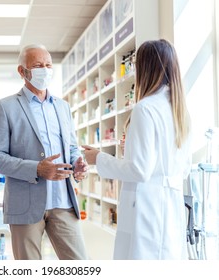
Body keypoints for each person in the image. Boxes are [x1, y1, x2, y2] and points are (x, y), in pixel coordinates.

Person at [82, 39, 191, 260]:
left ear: (145, 68)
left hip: (147, 209)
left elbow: (140, 170)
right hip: (170, 207)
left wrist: (98, 158)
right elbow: (183, 167)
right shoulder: (179, 110)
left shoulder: (145, 108)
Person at [0, 44, 88, 260]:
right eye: (38, 65)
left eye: (48, 65)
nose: (45, 70)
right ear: (22, 71)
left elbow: (71, 146)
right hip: (25, 205)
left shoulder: (62, 107)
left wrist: (77, 163)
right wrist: (37, 169)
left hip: (63, 202)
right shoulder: (6, 107)